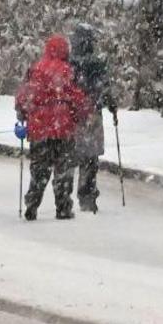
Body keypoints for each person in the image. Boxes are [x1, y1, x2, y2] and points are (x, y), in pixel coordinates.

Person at [15, 34, 91, 220]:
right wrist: (81, 115)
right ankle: (63, 207)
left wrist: (22, 113)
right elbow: (77, 98)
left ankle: (32, 203)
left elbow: (24, 97)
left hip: (39, 129)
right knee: (63, 171)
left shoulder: (35, 70)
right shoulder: (68, 71)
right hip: (63, 129)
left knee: (39, 170)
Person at [69, 23, 117, 212]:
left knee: (71, 154)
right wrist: (111, 105)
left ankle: (64, 193)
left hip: (72, 115)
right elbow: (104, 89)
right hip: (92, 115)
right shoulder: (97, 65)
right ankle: (87, 194)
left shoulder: (69, 63)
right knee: (90, 157)